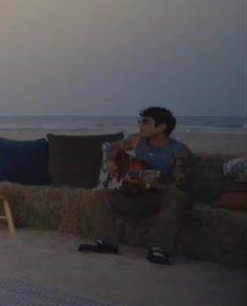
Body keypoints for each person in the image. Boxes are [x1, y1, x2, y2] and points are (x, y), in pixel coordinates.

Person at [79, 106, 193, 266]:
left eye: (146, 122)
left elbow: (181, 183)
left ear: (161, 127)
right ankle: (107, 243)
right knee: (101, 195)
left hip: (159, 200)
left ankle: (159, 249)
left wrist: (153, 184)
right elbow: (112, 147)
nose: (140, 125)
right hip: (135, 196)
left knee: (177, 195)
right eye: (140, 121)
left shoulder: (179, 150)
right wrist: (110, 161)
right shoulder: (137, 140)